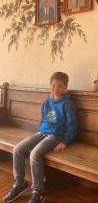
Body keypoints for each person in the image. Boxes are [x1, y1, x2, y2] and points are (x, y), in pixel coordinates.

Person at [3, 72, 78, 203]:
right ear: (50, 85)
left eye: (60, 86)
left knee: (34, 155)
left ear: (65, 86)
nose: (56, 89)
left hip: (55, 136)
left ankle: (38, 190)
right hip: (41, 133)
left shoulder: (67, 104)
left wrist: (65, 142)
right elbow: (43, 120)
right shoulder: (47, 102)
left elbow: (72, 125)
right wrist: (38, 134)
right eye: (54, 85)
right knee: (17, 149)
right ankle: (20, 183)